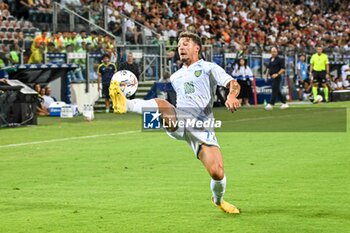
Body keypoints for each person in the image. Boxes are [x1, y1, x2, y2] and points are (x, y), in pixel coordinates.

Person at [109, 31, 241, 214]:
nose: (181, 47)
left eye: (186, 43)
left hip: (202, 129)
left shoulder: (209, 68)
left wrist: (232, 95)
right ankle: (126, 104)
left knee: (217, 173)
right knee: (163, 106)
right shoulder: (175, 76)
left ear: (197, 48)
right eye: (179, 45)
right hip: (179, 121)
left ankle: (218, 200)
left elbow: (233, 83)